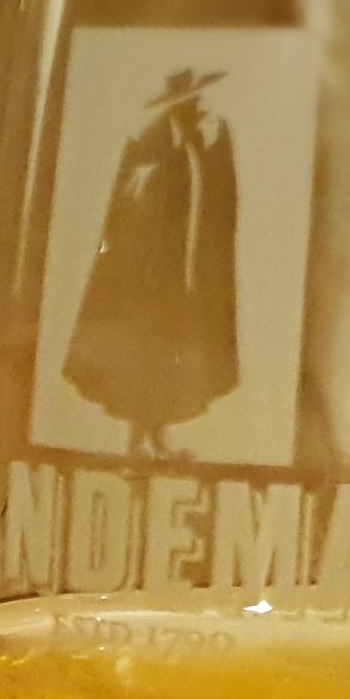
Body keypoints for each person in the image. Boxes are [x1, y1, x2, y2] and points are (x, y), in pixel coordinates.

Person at [60, 64, 240, 456]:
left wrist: (219, 143)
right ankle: (137, 442)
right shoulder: (149, 146)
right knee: (143, 358)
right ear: (179, 105)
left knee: (166, 358)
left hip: (180, 275)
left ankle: (154, 438)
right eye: (194, 101)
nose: (201, 106)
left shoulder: (193, 143)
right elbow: (127, 212)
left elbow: (215, 199)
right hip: (146, 279)